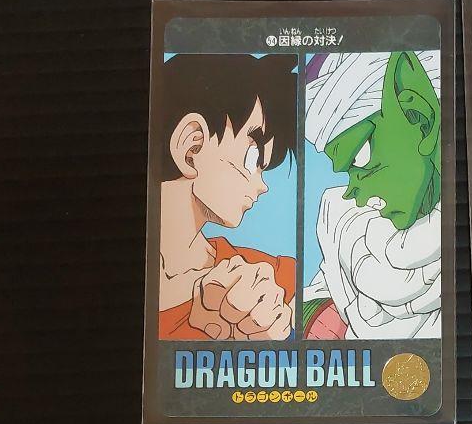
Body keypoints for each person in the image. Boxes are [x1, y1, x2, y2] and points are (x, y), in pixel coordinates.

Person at [302, 50, 442, 339]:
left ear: (420, 118)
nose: (356, 194)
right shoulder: (339, 222)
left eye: (360, 158)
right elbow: (319, 295)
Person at [155, 54, 296, 340]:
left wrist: (286, 333)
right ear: (192, 147)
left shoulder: (271, 278)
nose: (263, 186)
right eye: (252, 159)